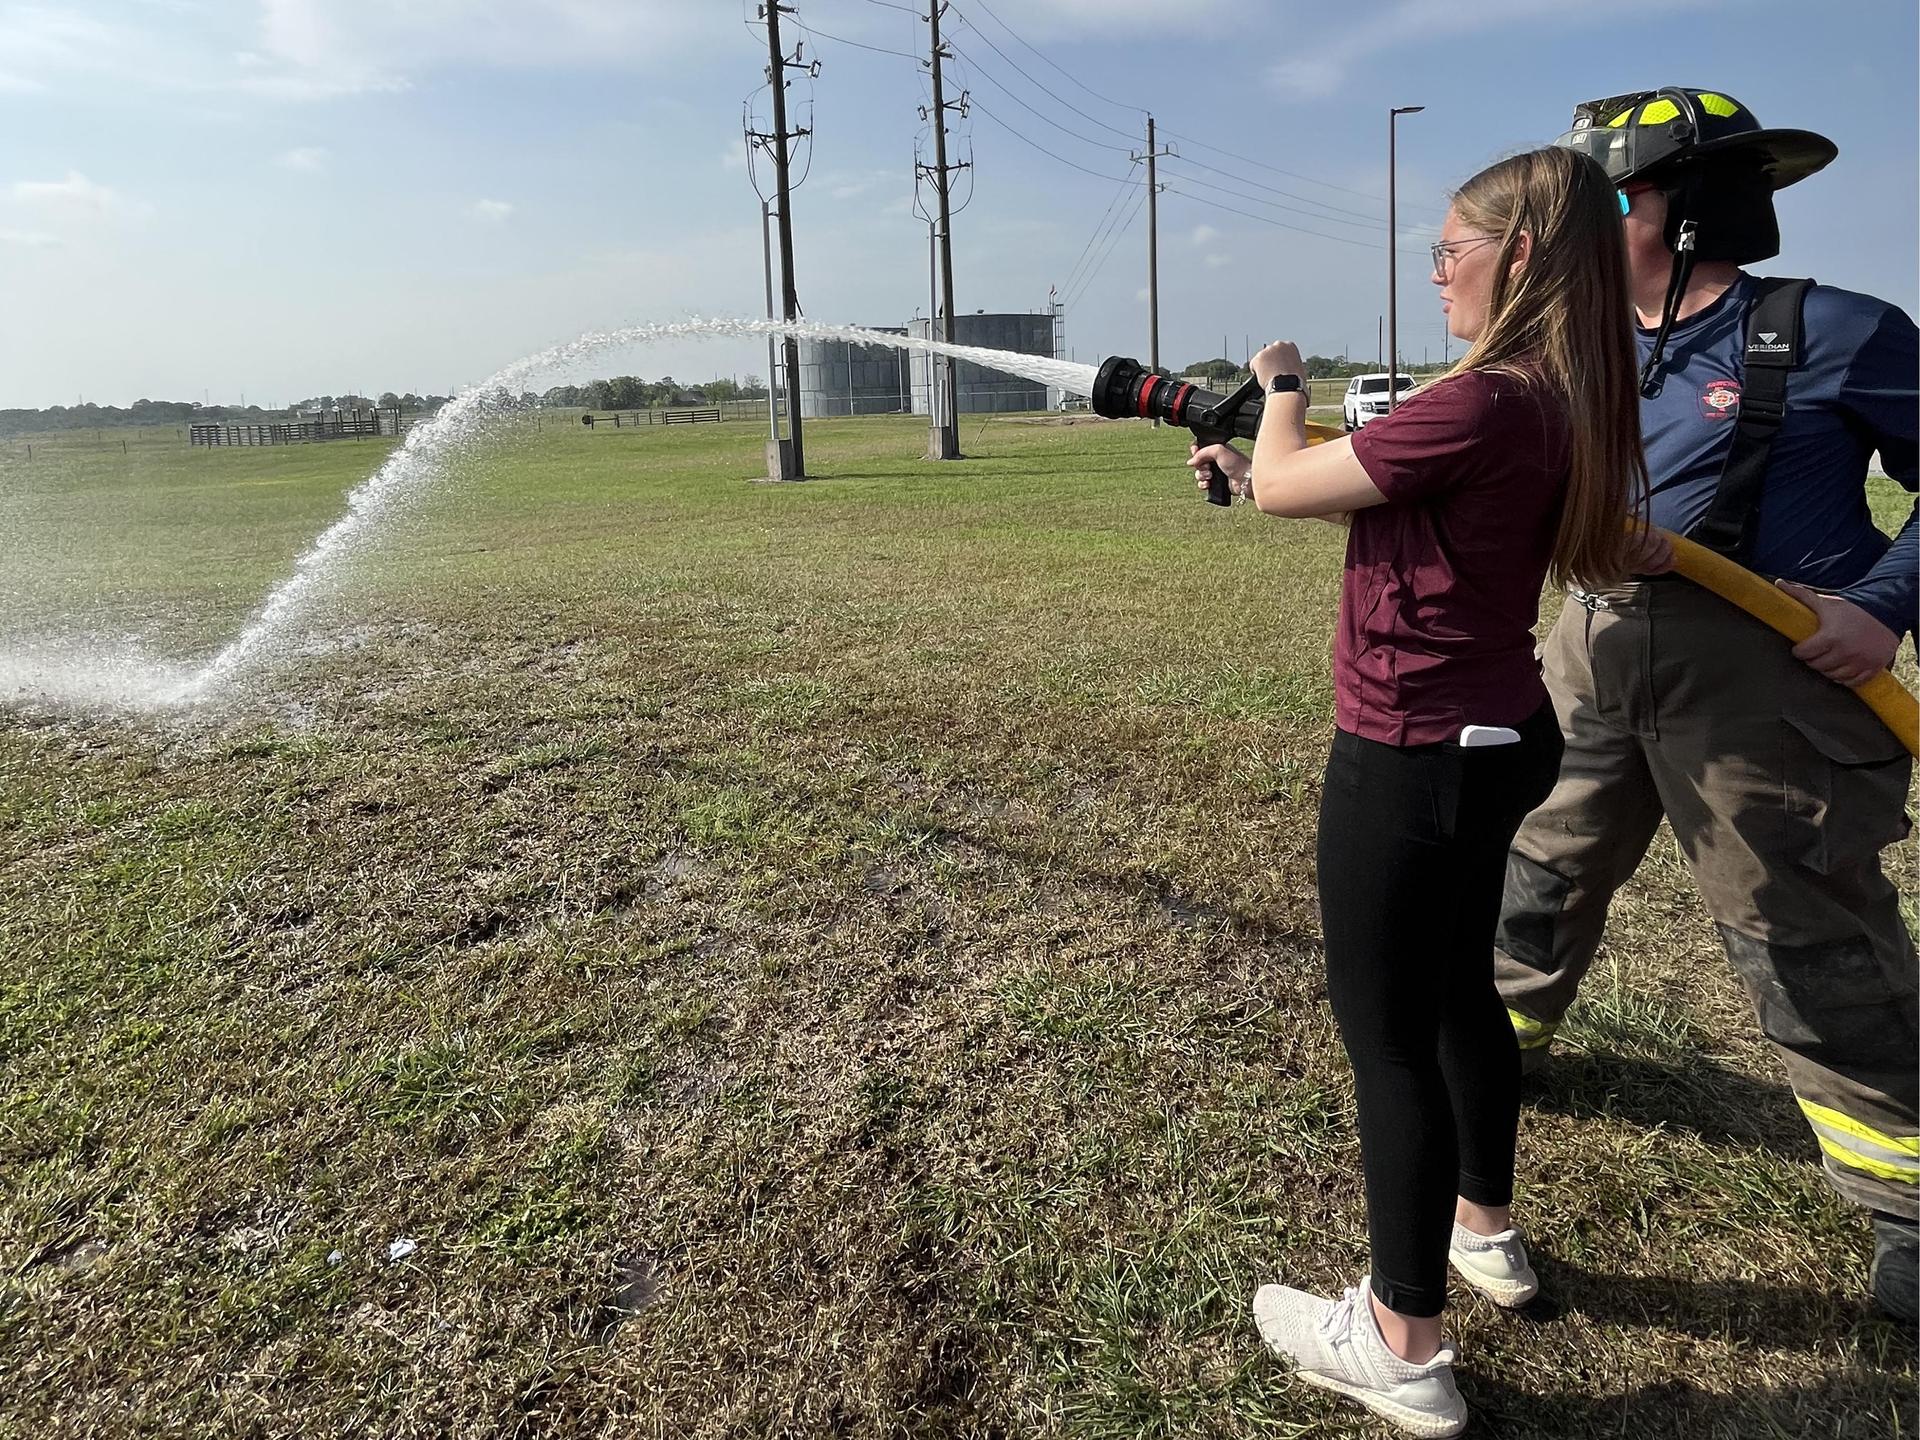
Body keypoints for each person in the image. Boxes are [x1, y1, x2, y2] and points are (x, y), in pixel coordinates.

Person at [1187, 146, 1647, 1436]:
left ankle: (1401, 1342)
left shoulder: (1488, 396)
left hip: (1413, 753)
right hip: (1501, 735)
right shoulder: (1548, 399)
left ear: (1515, 257)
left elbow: (1289, 479)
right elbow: (1372, 496)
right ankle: (1483, 1231)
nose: (1435, 270)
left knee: (1385, 1037)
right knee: (1454, 994)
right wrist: (1255, 464)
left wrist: (1279, 388)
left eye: (1448, 248)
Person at [1496, 88, 1919, 1322]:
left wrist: (1882, 604)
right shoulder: (1574, 344)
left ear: (1667, 211)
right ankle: (1500, 1050)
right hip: (1592, 651)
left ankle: (1905, 1195)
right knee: (1540, 862)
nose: (1561, 231)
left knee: (1801, 923)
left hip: (1772, 681)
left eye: (1590, 203)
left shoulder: (1836, 331)